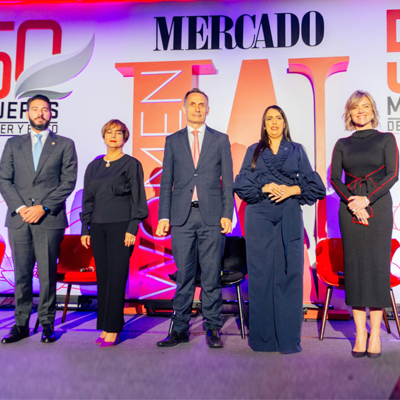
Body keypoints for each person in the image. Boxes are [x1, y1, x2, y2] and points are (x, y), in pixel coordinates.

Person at [234, 105, 325, 353]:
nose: (274, 122)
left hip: (289, 214)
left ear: (284, 123)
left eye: (278, 118)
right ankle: (263, 340)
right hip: (259, 215)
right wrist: (265, 188)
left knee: (289, 274)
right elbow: (241, 183)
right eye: (269, 119)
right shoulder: (254, 151)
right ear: (264, 125)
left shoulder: (297, 150)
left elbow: (315, 186)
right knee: (261, 275)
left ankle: (287, 341)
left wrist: (291, 189)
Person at [156, 88, 233, 348]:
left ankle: (213, 328)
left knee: (211, 277)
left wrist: (227, 213)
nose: (197, 108)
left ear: (208, 110)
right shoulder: (173, 140)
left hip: (212, 217)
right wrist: (163, 216)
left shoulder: (221, 140)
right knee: (184, 276)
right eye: (193, 104)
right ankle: (179, 329)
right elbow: (166, 182)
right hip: (181, 218)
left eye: (202, 105)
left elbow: (228, 182)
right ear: (184, 108)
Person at [0, 94, 78, 344]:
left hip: (49, 218)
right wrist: (22, 208)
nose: (40, 113)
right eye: (35, 109)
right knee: (21, 274)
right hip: (19, 219)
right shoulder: (13, 144)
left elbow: (68, 182)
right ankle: (20, 324)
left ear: (51, 114)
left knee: (47, 274)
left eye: (44, 109)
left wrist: (43, 207)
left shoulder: (65, 144)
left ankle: (46, 323)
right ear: (27, 114)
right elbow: (4, 180)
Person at [330, 90, 399, 358]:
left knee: (376, 269)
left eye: (366, 106)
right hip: (349, 210)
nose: (361, 111)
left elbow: (393, 174)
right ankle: (360, 334)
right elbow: (336, 179)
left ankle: (376, 335)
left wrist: (366, 200)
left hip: (378, 207)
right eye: (356, 107)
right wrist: (353, 202)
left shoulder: (386, 139)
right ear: (349, 112)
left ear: (373, 111)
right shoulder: (342, 144)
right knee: (356, 270)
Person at [80, 119, 148, 347]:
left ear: (124, 138)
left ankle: (114, 329)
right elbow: (87, 200)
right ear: (103, 136)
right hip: (97, 228)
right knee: (104, 278)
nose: (113, 136)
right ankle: (106, 325)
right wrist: (84, 228)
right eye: (109, 132)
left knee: (117, 277)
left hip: (121, 227)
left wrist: (132, 227)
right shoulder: (93, 166)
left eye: (119, 133)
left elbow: (139, 199)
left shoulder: (131, 164)